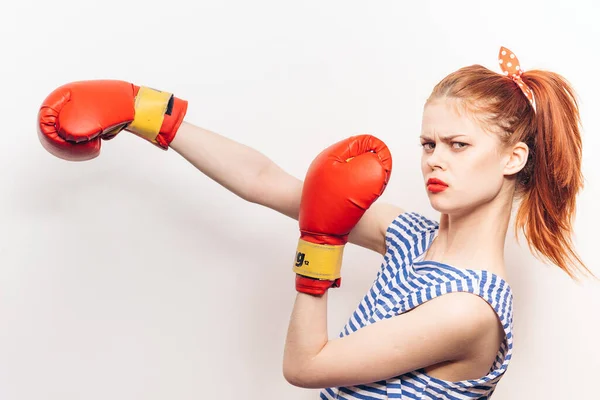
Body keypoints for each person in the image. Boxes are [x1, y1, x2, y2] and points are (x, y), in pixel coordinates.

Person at [37, 46, 594, 399]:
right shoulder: (410, 237)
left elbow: (305, 366)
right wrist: (146, 113)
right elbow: (265, 181)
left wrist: (321, 245)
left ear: (513, 159)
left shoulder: (468, 310)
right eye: (427, 143)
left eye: (458, 144)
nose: (434, 160)